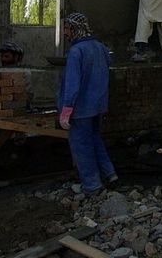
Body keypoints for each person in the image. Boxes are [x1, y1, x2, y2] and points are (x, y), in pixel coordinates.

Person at [57, 12, 117, 195]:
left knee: (81, 146)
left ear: (75, 29)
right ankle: (110, 173)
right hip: (98, 106)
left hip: (80, 109)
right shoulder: (100, 48)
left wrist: (66, 110)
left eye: (67, 29)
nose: (65, 33)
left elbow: (72, 84)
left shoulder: (76, 52)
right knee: (95, 139)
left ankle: (92, 185)